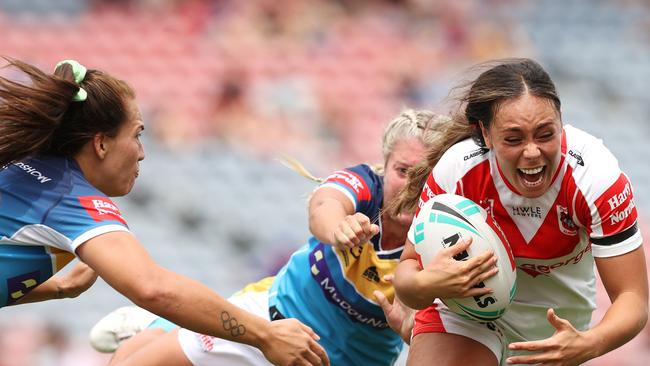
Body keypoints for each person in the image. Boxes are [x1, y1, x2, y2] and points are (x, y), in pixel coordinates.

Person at [87, 108, 490, 365]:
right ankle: (157, 323)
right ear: (384, 167)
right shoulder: (364, 188)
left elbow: (427, 332)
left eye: (424, 177)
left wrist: (410, 330)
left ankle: (158, 324)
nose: (410, 187)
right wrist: (338, 227)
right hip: (273, 319)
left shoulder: (447, 237)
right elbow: (325, 205)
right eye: (403, 171)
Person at [0, 57, 329, 366]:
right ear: (101, 144)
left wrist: (58, 289)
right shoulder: (68, 196)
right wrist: (265, 334)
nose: (142, 153)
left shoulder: (26, 168)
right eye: (137, 135)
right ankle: (152, 329)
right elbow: (152, 287)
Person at [391, 58, 648, 365]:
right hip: (467, 314)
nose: (531, 152)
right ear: (485, 134)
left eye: (545, 135)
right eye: (513, 139)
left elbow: (633, 299)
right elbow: (407, 274)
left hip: (553, 335)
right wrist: (426, 285)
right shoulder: (458, 170)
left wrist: (589, 343)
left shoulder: (595, 178)